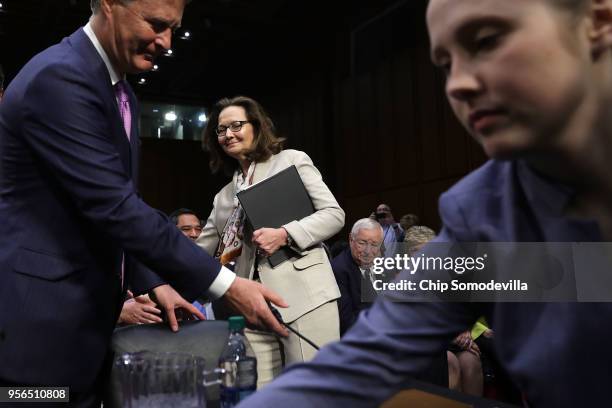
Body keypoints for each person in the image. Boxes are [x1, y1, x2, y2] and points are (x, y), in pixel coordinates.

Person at [238, 0, 612, 406]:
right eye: (446, 64)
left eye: (486, 41)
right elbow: (367, 357)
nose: (456, 84)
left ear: (599, 20)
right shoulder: (483, 215)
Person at [0, 0, 287, 403]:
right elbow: (115, 208)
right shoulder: (59, 77)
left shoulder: (123, 94)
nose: (166, 42)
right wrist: (226, 284)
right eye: (155, 24)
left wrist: (153, 283)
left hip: (82, 329)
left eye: (173, 28)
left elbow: (109, 209)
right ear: (108, 4)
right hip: (37, 332)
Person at [198, 95, 344, 387]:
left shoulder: (291, 160)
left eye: (235, 125)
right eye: (220, 130)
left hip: (305, 299)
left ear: (256, 126)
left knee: (311, 392)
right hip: (252, 309)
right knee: (260, 395)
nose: (227, 134)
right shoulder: (224, 196)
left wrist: (285, 234)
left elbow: (334, 214)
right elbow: (199, 250)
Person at [332, 218, 384, 336]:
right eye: (362, 243)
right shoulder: (338, 270)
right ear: (351, 239)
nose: (368, 251)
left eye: (375, 244)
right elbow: (348, 323)